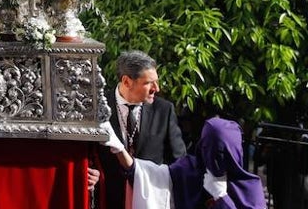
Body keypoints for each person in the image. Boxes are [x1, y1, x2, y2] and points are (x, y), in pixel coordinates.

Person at [103, 116, 264, 209]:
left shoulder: (249, 188)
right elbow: (144, 174)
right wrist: (119, 149)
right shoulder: (187, 170)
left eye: (223, 153)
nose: (215, 158)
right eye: (210, 149)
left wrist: (221, 198)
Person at [99, 51, 186, 209]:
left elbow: (179, 161)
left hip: (152, 199)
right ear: (127, 81)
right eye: (149, 83)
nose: (156, 88)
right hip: (108, 199)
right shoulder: (99, 108)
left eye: (156, 82)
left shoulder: (164, 110)